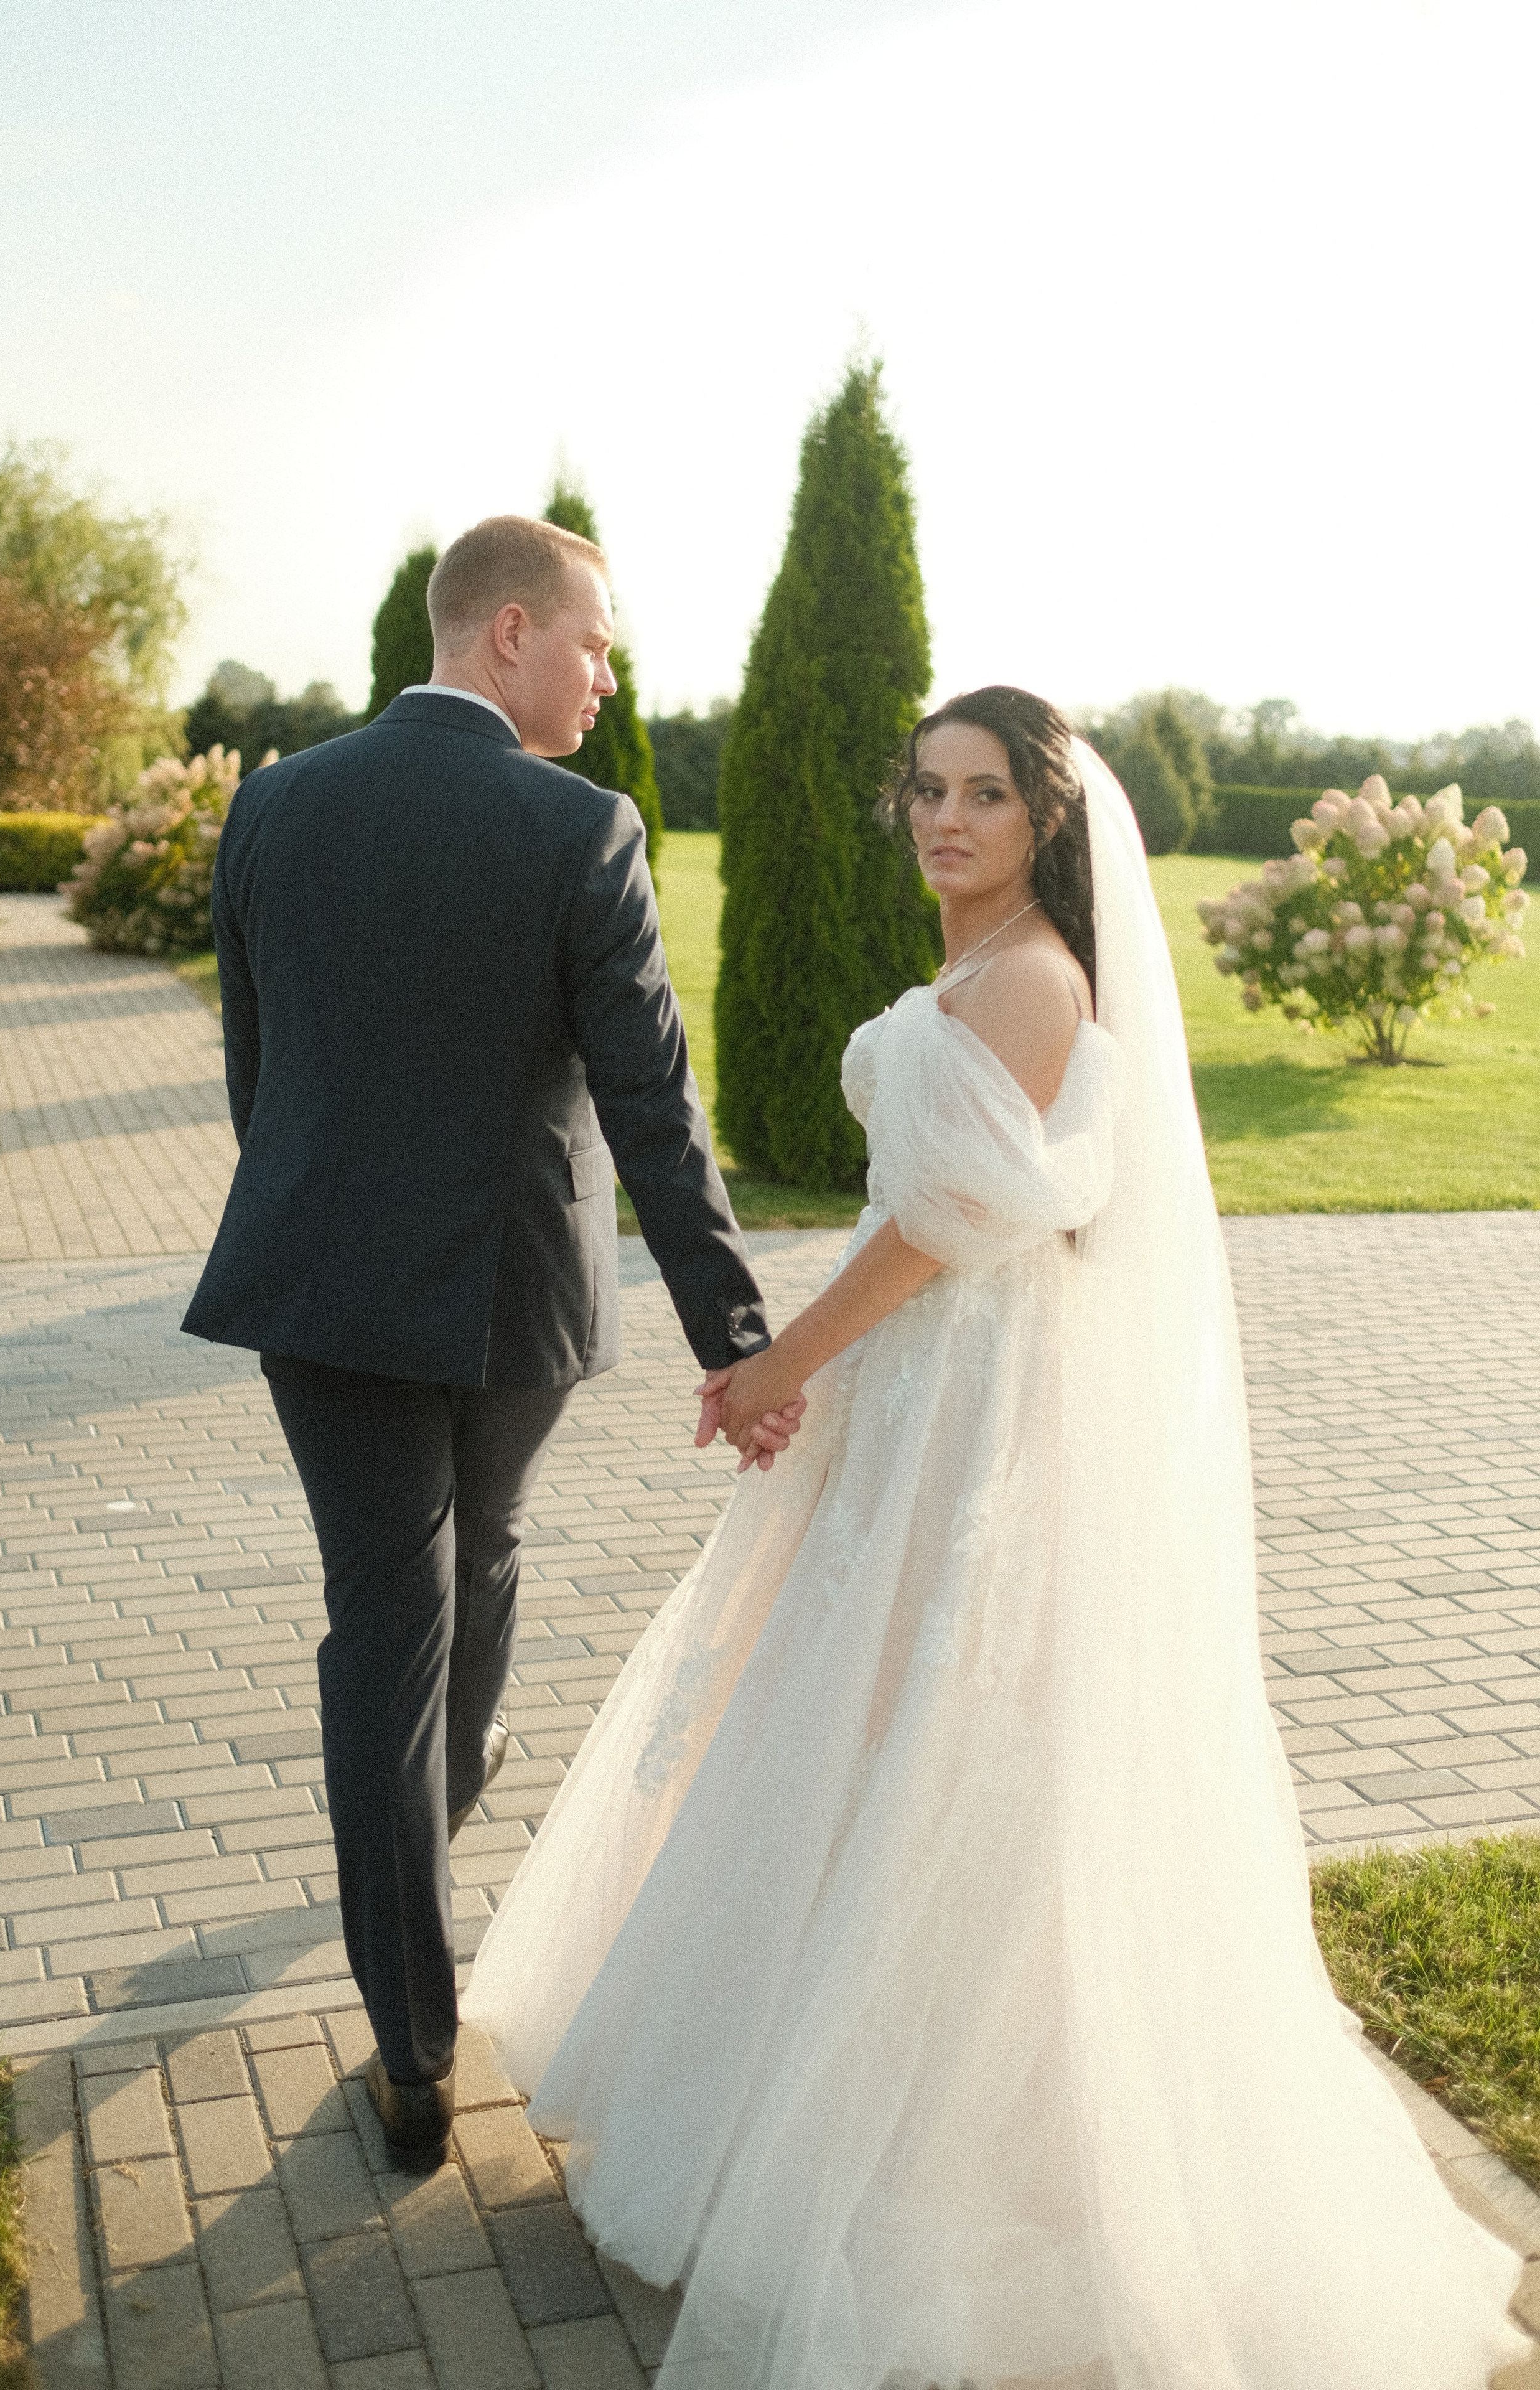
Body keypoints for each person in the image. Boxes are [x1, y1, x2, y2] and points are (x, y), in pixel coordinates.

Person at [464, 687, 1528, 2389]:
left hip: (978, 1406)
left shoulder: (1030, 976)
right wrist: (816, 1367)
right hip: (927, 1393)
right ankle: (811, 2086)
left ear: (1046, 822)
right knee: (865, 1721)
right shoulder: (986, 967)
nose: (944, 819)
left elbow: (950, 1223)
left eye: (983, 795)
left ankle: (959, 2136)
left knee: (944, 1736)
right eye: (928, 790)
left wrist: (778, 1365)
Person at [182, 515, 796, 2170]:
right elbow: (654, 1112)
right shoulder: (581, 829)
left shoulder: (275, 802)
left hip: (317, 1295)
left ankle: (408, 2040)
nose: (609, 677)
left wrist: (315, 1218)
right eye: (596, 643)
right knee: (484, 1559)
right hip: (514, 1297)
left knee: (388, 1615)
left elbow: (263, 1076)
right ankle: (432, 1822)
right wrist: (740, 1342)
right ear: (509, 632)